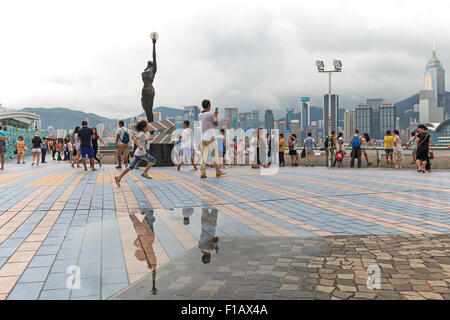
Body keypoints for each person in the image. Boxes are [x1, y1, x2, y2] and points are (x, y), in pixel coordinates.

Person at [115, 119, 156, 186]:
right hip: (142, 153)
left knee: (131, 167)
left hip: (138, 153)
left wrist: (149, 139)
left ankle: (118, 177)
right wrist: (139, 146)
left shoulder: (143, 134)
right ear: (144, 128)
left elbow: (142, 138)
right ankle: (144, 173)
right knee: (153, 160)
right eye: (147, 126)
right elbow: (136, 139)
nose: (149, 127)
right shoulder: (142, 134)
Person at [198, 100, 226, 179]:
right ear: (209, 106)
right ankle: (218, 172)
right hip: (211, 138)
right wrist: (215, 118)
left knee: (204, 156)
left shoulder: (199, 115)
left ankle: (203, 173)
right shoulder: (211, 114)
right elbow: (216, 124)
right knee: (215, 156)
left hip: (203, 138)